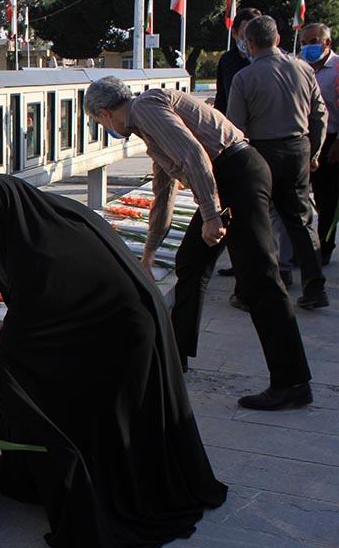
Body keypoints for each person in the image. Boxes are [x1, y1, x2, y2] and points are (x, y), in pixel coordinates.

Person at [0, 174, 227, 548]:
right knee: (24, 375)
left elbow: (17, 337)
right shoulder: (31, 225)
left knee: (54, 395)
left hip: (123, 332)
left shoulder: (38, 253)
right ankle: (31, 481)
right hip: (100, 320)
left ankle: (103, 489)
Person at [84, 75, 313, 410]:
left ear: (104, 114)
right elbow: (165, 190)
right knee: (191, 262)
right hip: (227, 178)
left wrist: (211, 214)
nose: (105, 128)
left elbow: (194, 155)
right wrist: (150, 251)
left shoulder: (146, 109)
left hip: (237, 174)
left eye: (100, 122)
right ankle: (176, 356)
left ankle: (292, 382)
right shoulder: (147, 124)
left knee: (259, 279)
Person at [228, 15, 329, 309]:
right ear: (278, 39)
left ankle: (253, 290)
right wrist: (314, 153)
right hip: (298, 148)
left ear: (248, 43)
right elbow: (319, 115)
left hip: (262, 152)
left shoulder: (244, 78)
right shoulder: (303, 69)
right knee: (300, 220)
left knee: (256, 221)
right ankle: (314, 288)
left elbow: (235, 128)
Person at [301, 23, 339, 265]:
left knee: (327, 198)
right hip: (303, 140)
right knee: (299, 199)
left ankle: (324, 247)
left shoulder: (337, 69)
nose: (308, 48)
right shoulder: (300, 67)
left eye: (313, 42)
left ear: (327, 43)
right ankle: (302, 248)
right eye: (304, 43)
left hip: (331, 142)